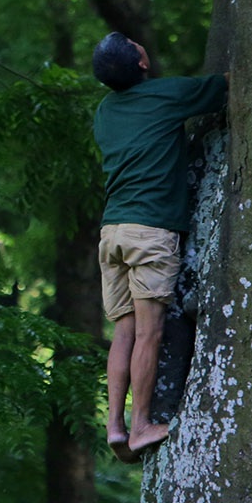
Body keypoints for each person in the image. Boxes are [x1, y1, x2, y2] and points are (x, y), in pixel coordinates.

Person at [90, 33, 229, 461]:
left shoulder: (105, 111)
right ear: (143, 63)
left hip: (112, 232)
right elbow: (223, 87)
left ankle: (114, 426)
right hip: (149, 232)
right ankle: (141, 426)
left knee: (124, 331)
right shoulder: (164, 97)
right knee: (151, 331)